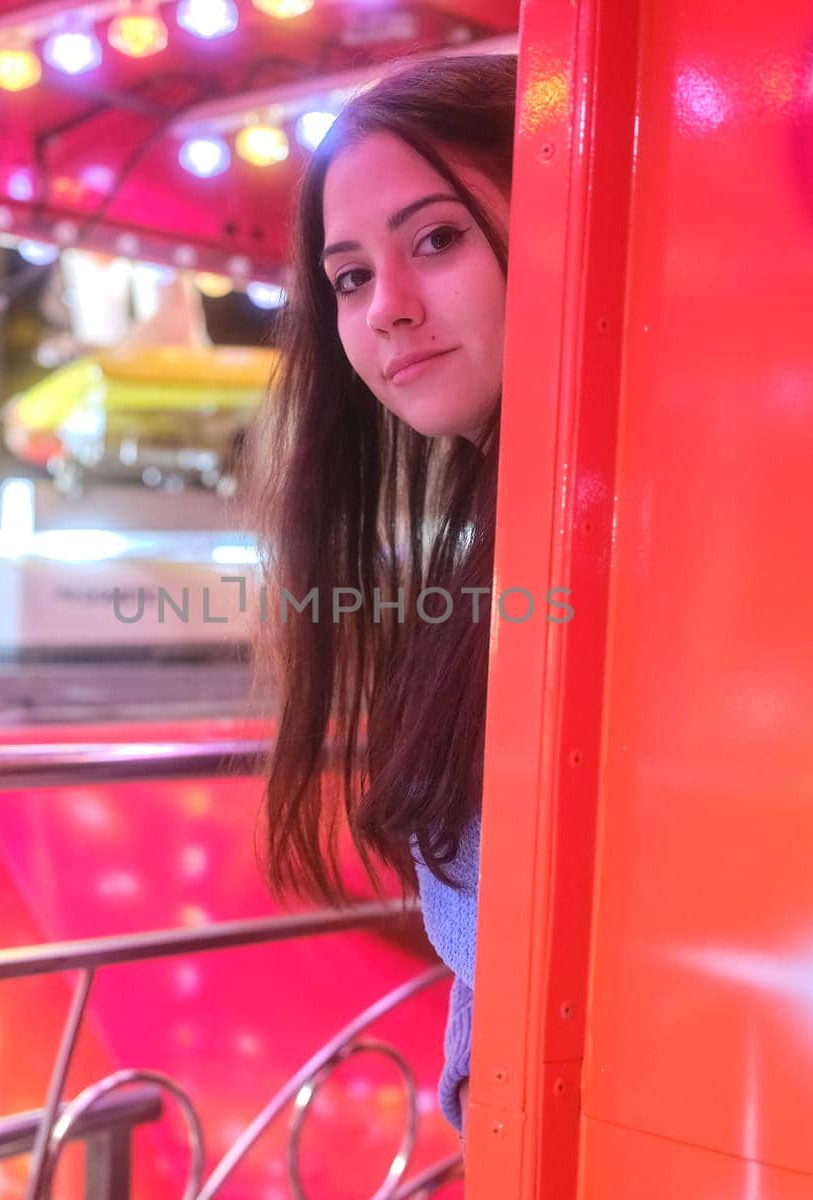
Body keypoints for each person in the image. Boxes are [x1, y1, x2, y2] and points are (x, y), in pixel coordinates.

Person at [251, 52, 517, 1137]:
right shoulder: (495, 537)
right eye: (350, 276)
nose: (388, 310)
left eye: (438, 239)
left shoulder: (639, 519)